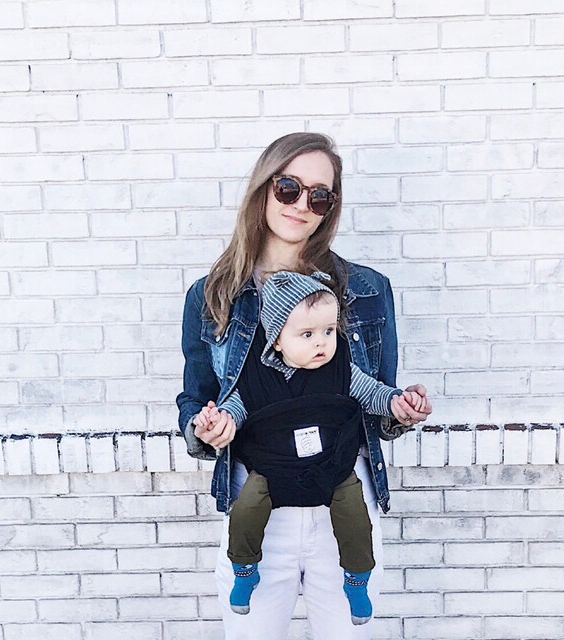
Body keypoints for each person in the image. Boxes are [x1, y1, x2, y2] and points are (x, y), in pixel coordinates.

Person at [176, 132, 433, 639]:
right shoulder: (212, 295)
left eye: (320, 196)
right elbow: (196, 399)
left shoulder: (367, 290)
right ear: (263, 187)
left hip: (342, 496)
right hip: (257, 504)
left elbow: (376, 398)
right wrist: (206, 429)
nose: (301, 205)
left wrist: (400, 412)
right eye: (289, 187)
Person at [193, 270, 428, 624]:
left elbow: (374, 393)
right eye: (307, 334)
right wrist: (216, 422)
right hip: (272, 470)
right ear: (276, 339)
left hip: (331, 468)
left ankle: (356, 579)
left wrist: (397, 402)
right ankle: (244, 570)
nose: (322, 343)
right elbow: (234, 410)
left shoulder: (341, 370)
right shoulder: (254, 378)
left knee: (354, 513)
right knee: (246, 509)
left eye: (329, 331)